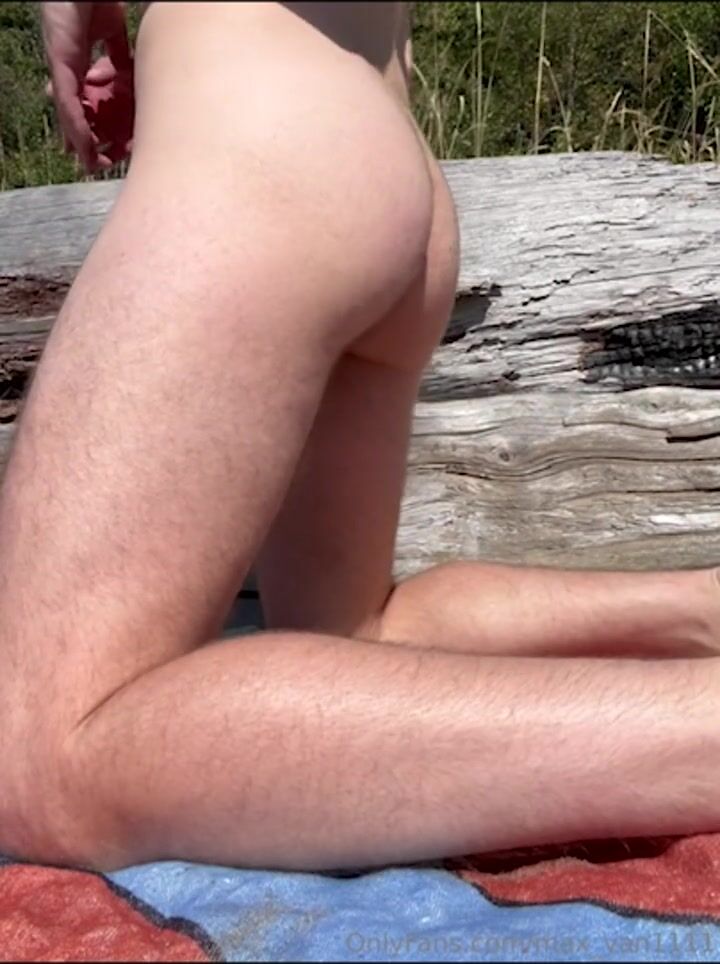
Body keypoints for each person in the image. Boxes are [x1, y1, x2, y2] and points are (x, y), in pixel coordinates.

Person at [2, 0, 719, 873]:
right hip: (368, 132)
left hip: (262, 136)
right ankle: (701, 610)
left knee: (42, 760)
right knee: (362, 633)